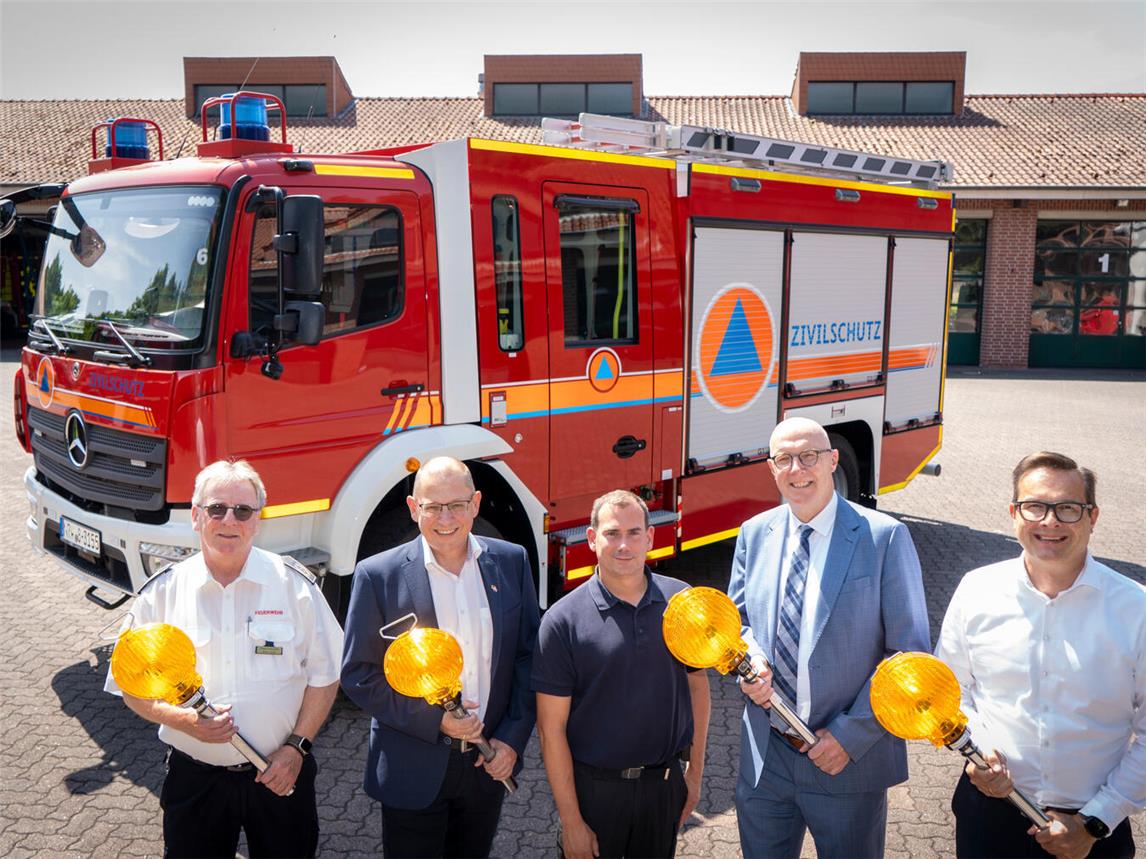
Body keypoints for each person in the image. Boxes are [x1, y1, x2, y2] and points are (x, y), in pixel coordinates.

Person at [105, 459, 343, 859]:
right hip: (196, 779)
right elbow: (131, 686)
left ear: (257, 520)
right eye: (216, 508)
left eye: (243, 510)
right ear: (196, 517)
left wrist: (296, 748)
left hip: (281, 771)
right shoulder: (162, 594)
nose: (229, 519)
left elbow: (325, 674)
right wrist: (185, 722)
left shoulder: (294, 587)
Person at [728, 417, 930, 859]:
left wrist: (850, 736)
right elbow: (737, 623)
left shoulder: (884, 537)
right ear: (771, 467)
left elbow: (909, 656)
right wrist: (751, 659)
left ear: (832, 460)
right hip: (767, 758)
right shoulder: (754, 533)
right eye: (785, 459)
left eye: (809, 457)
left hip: (845, 759)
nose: (797, 470)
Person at [935, 451, 1144, 859]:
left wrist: (1097, 821)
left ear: (1092, 517)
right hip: (988, 815)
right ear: (1014, 513)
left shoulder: (1136, 609)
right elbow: (952, 692)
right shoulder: (976, 590)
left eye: (1067, 508)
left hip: (1094, 829)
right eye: (1035, 506)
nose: (1049, 521)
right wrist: (977, 750)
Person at [341, 456, 540, 858]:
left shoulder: (511, 561)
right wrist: (437, 721)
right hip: (412, 767)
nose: (445, 517)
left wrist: (511, 741)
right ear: (414, 509)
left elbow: (527, 658)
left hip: (488, 762)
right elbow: (359, 674)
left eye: (457, 505)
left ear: (476, 504)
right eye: (432, 506)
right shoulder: (378, 575)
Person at [533, 489, 711, 859]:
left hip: (663, 786)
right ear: (592, 538)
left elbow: (698, 687)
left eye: (634, 533)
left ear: (650, 537)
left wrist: (693, 774)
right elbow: (552, 731)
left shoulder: (683, 604)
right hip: (595, 795)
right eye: (612, 533)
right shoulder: (562, 621)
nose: (624, 545)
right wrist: (571, 821)